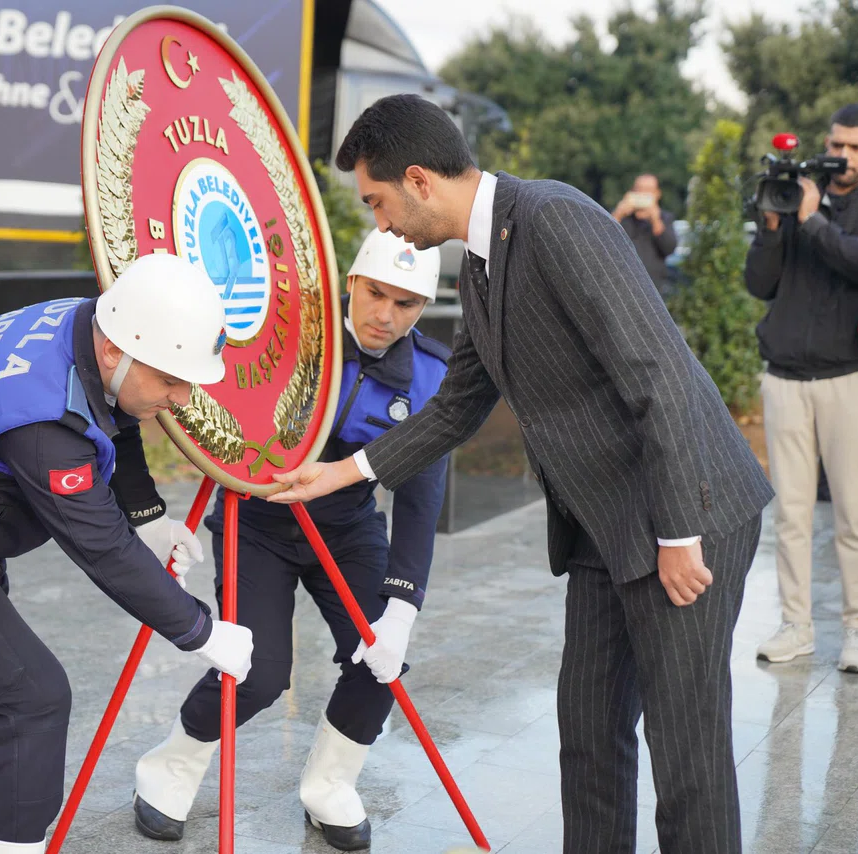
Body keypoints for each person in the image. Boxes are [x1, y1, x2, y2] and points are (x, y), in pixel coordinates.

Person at [267, 94, 774, 854]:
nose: (382, 225)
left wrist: (678, 532)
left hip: (685, 512)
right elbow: (456, 407)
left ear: (418, 180)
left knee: (687, 758)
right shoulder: (479, 263)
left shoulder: (554, 219)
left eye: (377, 201)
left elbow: (657, 376)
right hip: (606, 527)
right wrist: (342, 474)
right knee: (589, 738)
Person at [0, 254, 255, 854]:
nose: (182, 397)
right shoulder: (40, 422)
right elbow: (100, 547)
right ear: (116, 350)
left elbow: (118, 412)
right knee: (24, 705)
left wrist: (149, 517)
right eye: (171, 379)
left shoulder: (90, 325)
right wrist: (199, 631)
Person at [131, 231, 450, 851]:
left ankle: (329, 786)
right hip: (258, 522)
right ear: (350, 282)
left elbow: (420, 497)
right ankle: (169, 768)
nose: (385, 315)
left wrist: (403, 607)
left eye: (406, 304)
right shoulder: (288, 333)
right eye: (375, 293)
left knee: (379, 661)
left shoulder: (432, 375)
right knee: (256, 670)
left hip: (349, 525)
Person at [745, 103, 858, 675]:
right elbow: (759, 284)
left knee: (855, 517)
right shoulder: (796, 194)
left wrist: (812, 221)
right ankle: (797, 625)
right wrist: (772, 226)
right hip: (785, 377)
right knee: (790, 513)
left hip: (851, 378)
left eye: (855, 147)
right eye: (836, 144)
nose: (841, 155)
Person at [611, 174, 678, 297]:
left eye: (648, 190)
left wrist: (655, 220)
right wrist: (618, 214)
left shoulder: (664, 218)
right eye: (639, 189)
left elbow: (669, 248)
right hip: (622, 285)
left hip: (653, 288)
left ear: (657, 194)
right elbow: (603, 240)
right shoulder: (621, 218)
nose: (642, 194)